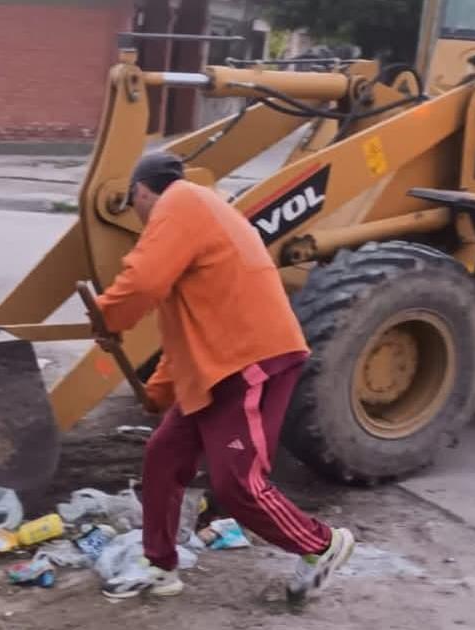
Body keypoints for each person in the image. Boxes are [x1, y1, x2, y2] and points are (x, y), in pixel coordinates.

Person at [93, 152, 355, 602]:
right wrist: (158, 393)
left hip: (251, 358)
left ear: (140, 190)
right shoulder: (195, 215)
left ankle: (323, 544)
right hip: (218, 368)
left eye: (132, 203)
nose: (135, 215)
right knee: (163, 455)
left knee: (236, 482)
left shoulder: (179, 203)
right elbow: (183, 337)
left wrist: (106, 315)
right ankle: (160, 566)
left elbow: (141, 283)